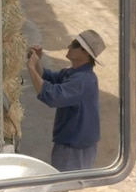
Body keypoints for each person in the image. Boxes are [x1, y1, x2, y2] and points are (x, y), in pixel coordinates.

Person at [26, 29, 105, 172]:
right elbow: (46, 77)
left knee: (64, 190)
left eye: (74, 44)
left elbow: (52, 96)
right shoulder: (74, 73)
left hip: (74, 150)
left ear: (86, 53)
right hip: (73, 146)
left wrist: (31, 67)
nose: (69, 46)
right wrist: (37, 61)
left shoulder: (83, 80)